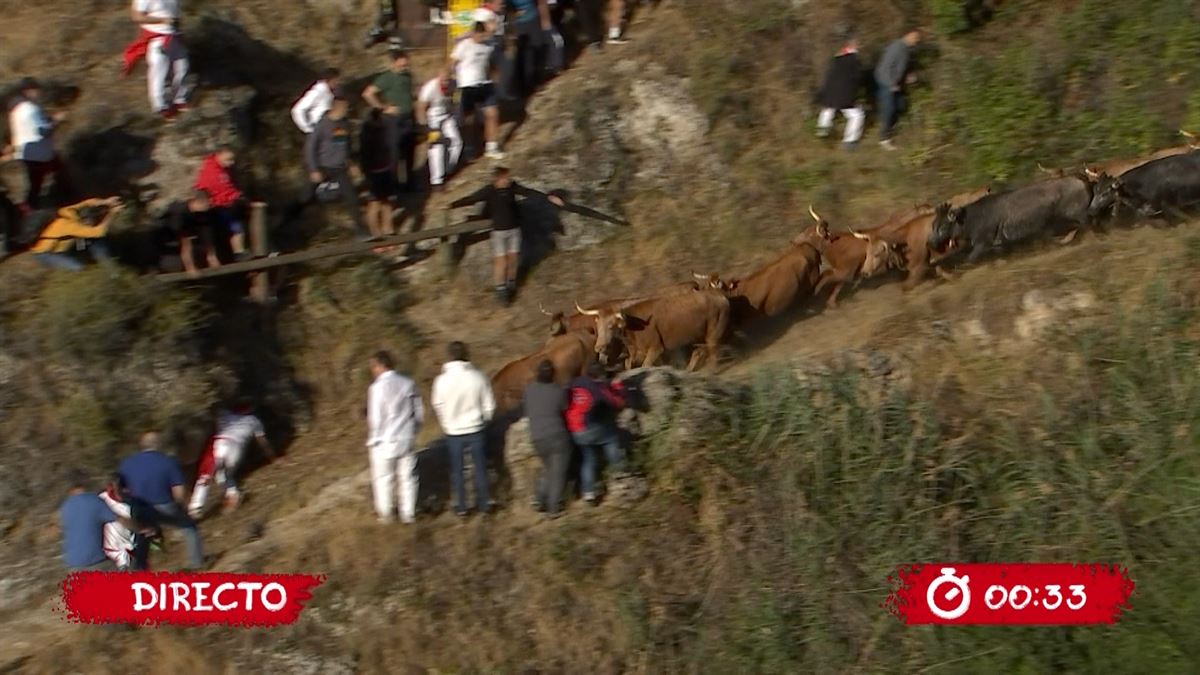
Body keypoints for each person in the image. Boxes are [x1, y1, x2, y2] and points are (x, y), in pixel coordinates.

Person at [446, 166, 564, 304]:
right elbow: (472, 199)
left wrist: (548, 197)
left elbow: (528, 192)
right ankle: (500, 289)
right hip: (499, 233)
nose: (509, 179)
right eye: (506, 177)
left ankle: (511, 284)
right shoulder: (489, 190)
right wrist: (452, 205)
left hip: (514, 230)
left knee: (513, 259)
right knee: (501, 261)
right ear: (499, 178)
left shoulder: (512, 187)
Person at [118, 431, 205, 569]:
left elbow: (120, 489)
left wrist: (129, 501)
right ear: (159, 445)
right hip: (164, 505)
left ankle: (139, 572)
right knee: (189, 527)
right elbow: (179, 492)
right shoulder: (168, 461)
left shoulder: (127, 464)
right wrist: (184, 507)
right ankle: (198, 564)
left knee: (142, 537)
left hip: (139, 508)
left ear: (142, 445)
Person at [292, 96, 372, 241]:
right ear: (337, 107)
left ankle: (361, 232)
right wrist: (314, 169)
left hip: (340, 168)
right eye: (345, 108)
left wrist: (351, 163)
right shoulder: (322, 125)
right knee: (305, 197)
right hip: (323, 167)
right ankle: (286, 221)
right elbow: (310, 148)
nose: (347, 110)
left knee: (352, 198)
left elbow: (343, 145)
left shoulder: (343, 124)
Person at [431, 341, 496, 517]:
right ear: (467, 355)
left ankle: (461, 506)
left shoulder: (441, 381)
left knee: (457, 470)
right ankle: (484, 503)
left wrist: (446, 422)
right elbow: (489, 405)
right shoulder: (478, 377)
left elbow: (437, 404)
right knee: (480, 467)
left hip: (453, 431)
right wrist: (483, 421)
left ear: (450, 356)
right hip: (475, 428)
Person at [187, 402, 275, 518]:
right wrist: (273, 457)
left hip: (222, 444)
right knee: (223, 476)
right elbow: (262, 442)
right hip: (237, 450)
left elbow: (211, 407)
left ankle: (196, 507)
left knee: (205, 475)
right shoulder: (254, 420)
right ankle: (234, 495)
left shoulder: (225, 414)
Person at [366, 351, 424, 523]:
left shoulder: (376, 388)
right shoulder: (408, 383)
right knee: (408, 477)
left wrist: (375, 435)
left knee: (384, 479)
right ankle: (409, 514)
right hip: (406, 436)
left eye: (373, 367)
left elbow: (376, 418)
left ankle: (386, 514)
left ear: (379, 366)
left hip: (385, 439)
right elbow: (418, 411)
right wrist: (414, 430)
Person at [566, 361, 626, 504]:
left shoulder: (576, 381)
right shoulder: (598, 390)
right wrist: (618, 385)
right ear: (600, 375)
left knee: (589, 459)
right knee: (611, 438)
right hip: (589, 428)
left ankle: (589, 493)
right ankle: (620, 471)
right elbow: (618, 403)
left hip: (574, 430)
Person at [6, 78, 66, 212]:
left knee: (39, 182)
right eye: (36, 89)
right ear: (28, 91)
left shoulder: (16, 109)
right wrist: (57, 121)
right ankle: (29, 211)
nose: (39, 92)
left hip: (28, 153)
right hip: (39, 153)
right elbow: (43, 131)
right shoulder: (30, 109)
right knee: (38, 184)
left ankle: (30, 209)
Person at [521, 360, 571, 518]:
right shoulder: (558, 391)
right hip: (557, 436)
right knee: (557, 472)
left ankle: (539, 498)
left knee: (549, 468)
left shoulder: (529, 390)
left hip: (537, 437)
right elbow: (565, 407)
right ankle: (554, 507)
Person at [362, 46, 417, 190]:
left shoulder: (407, 76)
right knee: (394, 153)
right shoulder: (386, 77)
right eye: (402, 63)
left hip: (408, 118)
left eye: (406, 63)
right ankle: (392, 184)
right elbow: (368, 94)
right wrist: (384, 108)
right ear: (394, 62)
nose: (405, 66)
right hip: (394, 121)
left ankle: (409, 183)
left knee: (409, 152)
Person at [127, 0, 191, 120]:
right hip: (157, 37)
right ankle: (161, 106)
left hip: (174, 35)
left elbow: (175, 15)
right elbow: (137, 16)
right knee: (159, 72)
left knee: (182, 68)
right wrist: (162, 21)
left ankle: (180, 99)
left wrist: (180, 31)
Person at [60, 469, 131, 571]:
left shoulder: (65, 506)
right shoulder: (94, 501)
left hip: (72, 564)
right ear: (86, 482)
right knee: (124, 569)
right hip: (94, 562)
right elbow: (120, 520)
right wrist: (142, 527)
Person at [451, 22, 503, 161]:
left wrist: (494, 76)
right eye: (480, 34)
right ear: (474, 33)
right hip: (467, 86)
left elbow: (491, 63)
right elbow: (451, 63)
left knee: (492, 114)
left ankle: (491, 147)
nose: (482, 37)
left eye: (484, 34)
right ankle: (470, 149)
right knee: (469, 119)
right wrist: (453, 80)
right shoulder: (464, 46)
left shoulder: (488, 46)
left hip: (485, 84)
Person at [29, 196, 122, 271]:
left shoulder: (70, 211)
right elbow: (99, 232)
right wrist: (112, 213)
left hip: (64, 245)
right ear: (84, 220)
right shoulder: (69, 226)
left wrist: (106, 201)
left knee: (92, 241)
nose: (90, 225)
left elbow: (87, 202)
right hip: (46, 254)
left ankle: (103, 262)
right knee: (78, 268)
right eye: (90, 223)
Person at [193, 146, 248, 258]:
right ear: (218, 155)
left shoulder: (222, 170)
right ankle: (237, 252)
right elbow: (216, 191)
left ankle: (239, 252)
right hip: (218, 207)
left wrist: (237, 197)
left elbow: (228, 188)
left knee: (237, 225)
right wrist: (232, 199)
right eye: (228, 160)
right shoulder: (211, 172)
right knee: (235, 227)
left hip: (226, 205)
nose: (231, 163)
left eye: (232, 160)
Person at [874, 29, 922, 151]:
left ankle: (890, 128)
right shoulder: (896, 47)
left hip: (896, 84)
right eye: (915, 39)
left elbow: (900, 67)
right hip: (886, 83)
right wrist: (891, 84)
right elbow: (885, 67)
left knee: (901, 106)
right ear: (909, 35)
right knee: (889, 109)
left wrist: (907, 77)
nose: (916, 42)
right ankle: (884, 139)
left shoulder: (907, 49)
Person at [416, 68, 463, 191]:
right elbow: (420, 107)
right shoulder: (429, 88)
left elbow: (457, 100)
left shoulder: (456, 84)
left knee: (456, 142)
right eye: (443, 80)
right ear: (438, 77)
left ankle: (448, 169)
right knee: (437, 147)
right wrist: (425, 127)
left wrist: (457, 116)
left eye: (447, 80)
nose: (445, 83)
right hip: (432, 118)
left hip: (448, 116)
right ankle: (437, 181)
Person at [816, 34, 865, 149]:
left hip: (829, 92)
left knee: (827, 110)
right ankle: (849, 141)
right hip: (845, 94)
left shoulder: (836, 59)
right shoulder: (855, 60)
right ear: (856, 46)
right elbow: (857, 78)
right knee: (857, 115)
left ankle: (822, 134)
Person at [98, 473, 152, 571]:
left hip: (132, 551)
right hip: (111, 554)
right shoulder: (100, 500)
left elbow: (145, 527)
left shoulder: (135, 504)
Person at [360, 109, 398, 239]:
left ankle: (389, 231)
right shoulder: (367, 136)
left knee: (387, 202)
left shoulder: (384, 131)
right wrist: (368, 176)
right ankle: (375, 235)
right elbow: (365, 158)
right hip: (374, 174)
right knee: (374, 204)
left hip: (385, 170)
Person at [164, 189, 219, 275]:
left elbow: (207, 236)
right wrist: (190, 267)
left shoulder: (202, 213)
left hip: (189, 234)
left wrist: (211, 256)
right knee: (175, 264)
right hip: (170, 243)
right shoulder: (181, 214)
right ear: (198, 202)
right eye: (208, 203)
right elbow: (186, 245)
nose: (210, 206)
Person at [509, 0, 554, 98]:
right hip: (520, 24)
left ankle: (538, 81)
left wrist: (545, 19)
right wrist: (514, 14)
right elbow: (506, 9)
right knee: (524, 56)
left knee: (538, 50)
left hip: (534, 19)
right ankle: (525, 87)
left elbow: (541, 2)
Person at [291, 68, 342, 135]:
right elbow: (297, 109)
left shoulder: (331, 93)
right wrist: (307, 129)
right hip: (317, 130)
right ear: (330, 80)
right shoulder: (317, 91)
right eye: (336, 80)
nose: (337, 83)